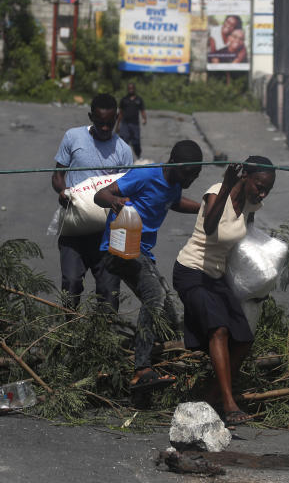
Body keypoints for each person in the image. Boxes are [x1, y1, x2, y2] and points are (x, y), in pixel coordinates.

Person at [93, 139, 204, 393]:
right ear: (174, 164)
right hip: (119, 247)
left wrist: (204, 208)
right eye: (188, 174)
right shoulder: (145, 174)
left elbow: (173, 202)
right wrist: (114, 201)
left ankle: (147, 363)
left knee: (167, 315)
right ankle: (140, 368)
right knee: (152, 297)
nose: (190, 181)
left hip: (140, 252)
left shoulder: (175, 182)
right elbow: (101, 195)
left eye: (195, 176)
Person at [172, 156, 276, 426]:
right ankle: (229, 405)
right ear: (246, 177)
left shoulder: (252, 203)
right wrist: (228, 183)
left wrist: (258, 278)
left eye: (267, 189)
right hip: (191, 272)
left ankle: (211, 396)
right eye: (259, 186)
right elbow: (209, 228)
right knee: (218, 329)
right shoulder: (216, 193)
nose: (262, 193)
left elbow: (247, 237)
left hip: (216, 277)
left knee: (243, 339)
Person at [52, 93, 133, 312]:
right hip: (74, 229)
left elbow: (127, 189)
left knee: (108, 292)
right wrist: (63, 192)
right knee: (71, 284)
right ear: (91, 117)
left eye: (110, 123)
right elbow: (58, 176)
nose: (105, 128)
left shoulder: (124, 151)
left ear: (117, 117)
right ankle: (69, 331)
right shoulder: (73, 137)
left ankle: (103, 338)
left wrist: (119, 202)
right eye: (100, 123)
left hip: (106, 234)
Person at [115, 82, 147, 160]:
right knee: (124, 141)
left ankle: (139, 156)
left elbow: (142, 110)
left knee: (136, 142)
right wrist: (117, 125)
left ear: (134, 89)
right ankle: (123, 158)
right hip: (125, 124)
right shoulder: (124, 100)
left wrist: (144, 118)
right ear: (127, 89)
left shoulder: (139, 100)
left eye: (132, 88)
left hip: (135, 124)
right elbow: (120, 113)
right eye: (129, 88)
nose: (131, 90)